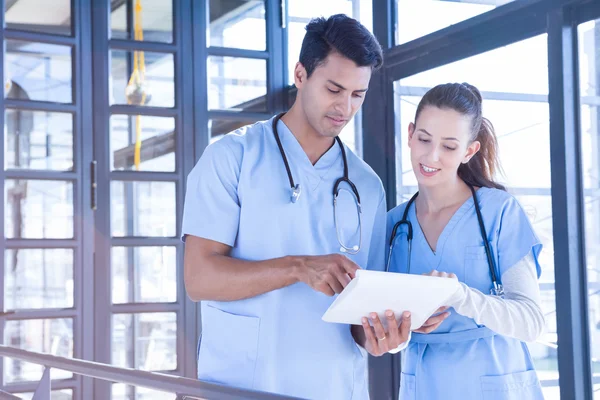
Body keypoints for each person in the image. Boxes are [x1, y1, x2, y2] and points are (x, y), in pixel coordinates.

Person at [181, 14, 410, 400]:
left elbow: (359, 312)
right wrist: (297, 267)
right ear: (301, 74)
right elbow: (199, 278)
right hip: (245, 384)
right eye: (334, 89)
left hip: (335, 386)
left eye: (358, 94)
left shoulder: (367, 185)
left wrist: (380, 336)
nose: (345, 107)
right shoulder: (231, 158)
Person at [387, 82, 545, 399]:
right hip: (423, 383)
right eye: (424, 139)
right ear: (409, 134)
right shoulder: (394, 224)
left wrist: (459, 295)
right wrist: (406, 326)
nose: (431, 155)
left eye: (448, 146)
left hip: (495, 382)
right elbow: (385, 326)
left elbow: (532, 323)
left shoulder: (499, 212)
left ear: (469, 151)